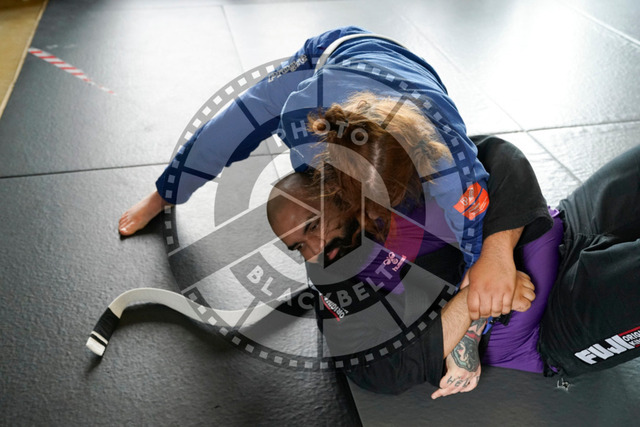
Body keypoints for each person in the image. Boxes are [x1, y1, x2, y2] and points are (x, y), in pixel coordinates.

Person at [118, 26, 544, 321]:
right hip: (328, 58)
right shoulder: (301, 124)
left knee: (450, 230)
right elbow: (238, 140)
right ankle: (164, 193)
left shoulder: (446, 158)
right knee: (229, 129)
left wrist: (487, 276)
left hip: (411, 81)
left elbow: (476, 237)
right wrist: (167, 190)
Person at [266, 139, 640, 398]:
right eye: (297, 247)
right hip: (553, 323)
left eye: (313, 226)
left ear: (337, 192)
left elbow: (497, 156)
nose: (315, 250)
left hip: (567, 223)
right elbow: (378, 370)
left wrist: (497, 254)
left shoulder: (388, 184)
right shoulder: (338, 285)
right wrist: (472, 300)